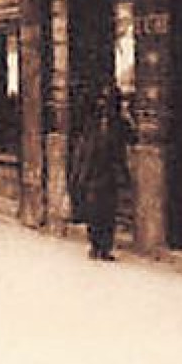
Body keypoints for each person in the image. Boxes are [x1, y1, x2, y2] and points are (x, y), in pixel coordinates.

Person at [73, 85, 132, 260]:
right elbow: (83, 149)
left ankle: (105, 248)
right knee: (93, 212)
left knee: (108, 212)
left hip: (109, 174)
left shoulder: (120, 123)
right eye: (105, 101)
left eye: (112, 101)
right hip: (93, 172)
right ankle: (95, 245)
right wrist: (80, 174)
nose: (107, 106)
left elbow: (132, 137)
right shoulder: (91, 123)